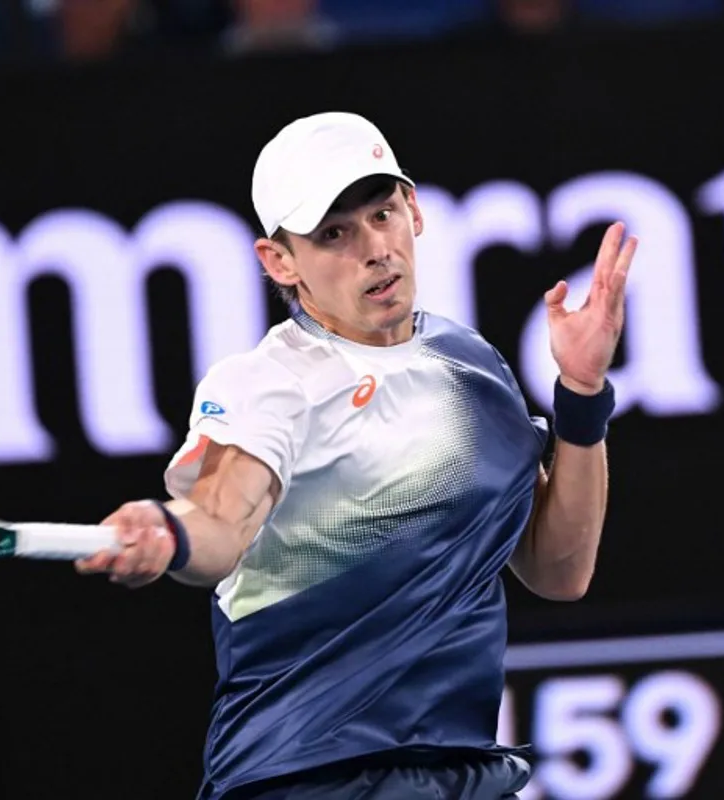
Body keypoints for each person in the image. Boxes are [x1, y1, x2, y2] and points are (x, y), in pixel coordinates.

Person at [75, 112, 637, 800]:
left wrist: (581, 396)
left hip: (461, 774)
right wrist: (170, 530)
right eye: (333, 234)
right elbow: (223, 522)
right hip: (307, 778)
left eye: (382, 214)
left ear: (415, 211)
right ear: (279, 260)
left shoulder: (474, 368)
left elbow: (558, 570)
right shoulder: (267, 385)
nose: (375, 249)